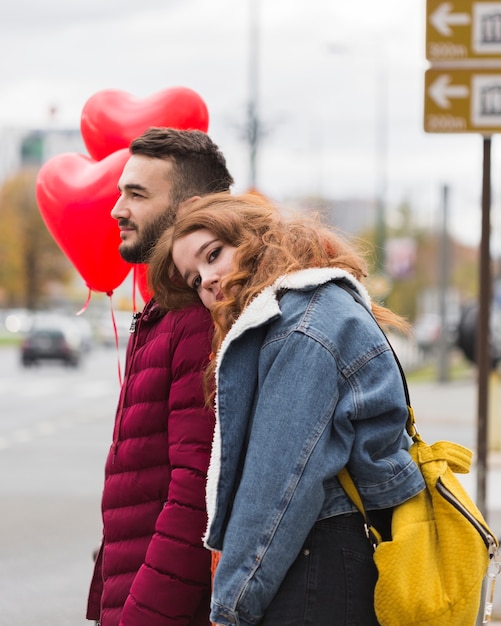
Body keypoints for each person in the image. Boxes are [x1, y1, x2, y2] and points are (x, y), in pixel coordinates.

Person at [147, 192, 426, 626]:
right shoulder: (316, 307)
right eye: (193, 278)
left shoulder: (300, 329)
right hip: (331, 558)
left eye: (214, 254)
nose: (206, 280)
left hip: (318, 564)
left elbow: (279, 488)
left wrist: (230, 607)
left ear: (256, 236)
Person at [86, 128, 234, 626]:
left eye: (137, 194)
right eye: (120, 191)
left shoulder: (194, 318)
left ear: (189, 208)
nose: (116, 209)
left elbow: (194, 494)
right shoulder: (165, 312)